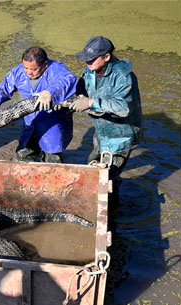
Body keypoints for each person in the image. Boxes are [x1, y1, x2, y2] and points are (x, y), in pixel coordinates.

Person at [71, 36, 143, 201]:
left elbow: (123, 108)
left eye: (91, 59)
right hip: (102, 131)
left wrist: (90, 102)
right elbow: (80, 90)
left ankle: (112, 209)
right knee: (92, 165)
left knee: (109, 176)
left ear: (107, 57)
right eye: (85, 59)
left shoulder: (123, 76)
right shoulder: (89, 70)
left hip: (121, 135)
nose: (87, 63)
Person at [0, 47, 77, 163]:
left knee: (52, 161)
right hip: (30, 122)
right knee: (21, 157)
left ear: (44, 64)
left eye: (34, 69)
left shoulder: (56, 69)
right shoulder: (18, 72)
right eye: (26, 68)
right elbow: (2, 89)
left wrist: (50, 92)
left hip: (52, 123)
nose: (29, 72)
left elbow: (69, 79)